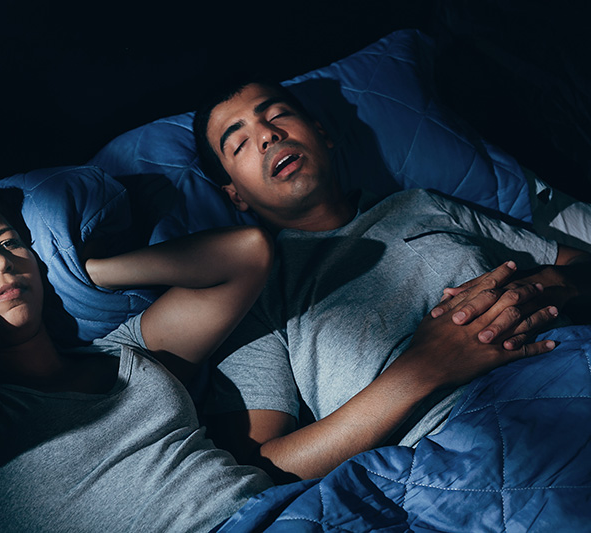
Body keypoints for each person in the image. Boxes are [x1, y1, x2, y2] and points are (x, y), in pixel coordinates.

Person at [192, 79, 591, 483]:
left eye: (277, 115)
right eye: (238, 142)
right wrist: (423, 368)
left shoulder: (422, 205)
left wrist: (548, 284)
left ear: (323, 133)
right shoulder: (254, 295)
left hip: (565, 362)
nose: (267, 135)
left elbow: (580, 265)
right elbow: (263, 469)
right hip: (457, 457)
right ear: (235, 196)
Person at [0, 183, 277, 532]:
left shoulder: (123, 352)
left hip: (280, 511)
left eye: (8, 242)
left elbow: (247, 252)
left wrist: (80, 274)